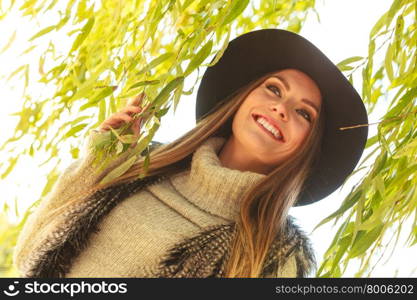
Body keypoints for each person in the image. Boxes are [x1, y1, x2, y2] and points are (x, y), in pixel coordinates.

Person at [13, 29, 368, 278]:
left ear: (307, 148)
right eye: (273, 89)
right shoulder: (142, 168)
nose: (281, 109)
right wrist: (99, 163)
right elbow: (30, 257)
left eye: (304, 113)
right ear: (244, 97)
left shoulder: (274, 256)